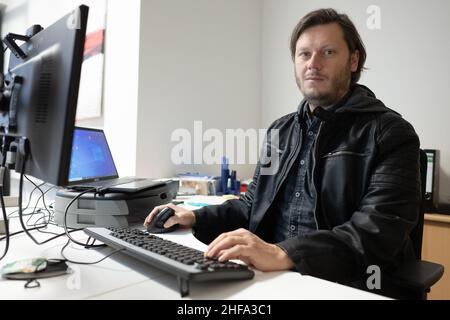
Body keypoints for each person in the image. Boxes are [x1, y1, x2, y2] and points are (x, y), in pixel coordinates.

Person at [144, 8, 420, 290]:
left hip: (346, 284)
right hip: (274, 279)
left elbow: (377, 232)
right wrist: (194, 217)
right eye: (304, 54)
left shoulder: (390, 133)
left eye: (328, 52)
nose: (313, 63)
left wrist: (283, 253)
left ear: (353, 61)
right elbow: (251, 206)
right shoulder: (280, 131)